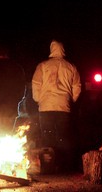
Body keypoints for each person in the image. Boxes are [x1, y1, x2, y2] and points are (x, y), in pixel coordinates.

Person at [31, 39, 81, 173]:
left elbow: (36, 84)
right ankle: (64, 166)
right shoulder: (71, 67)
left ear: (51, 49)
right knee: (63, 137)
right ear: (63, 50)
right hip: (63, 107)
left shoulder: (42, 66)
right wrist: (71, 100)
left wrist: (38, 99)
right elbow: (77, 87)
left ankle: (48, 166)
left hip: (46, 106)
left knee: (47, 136)